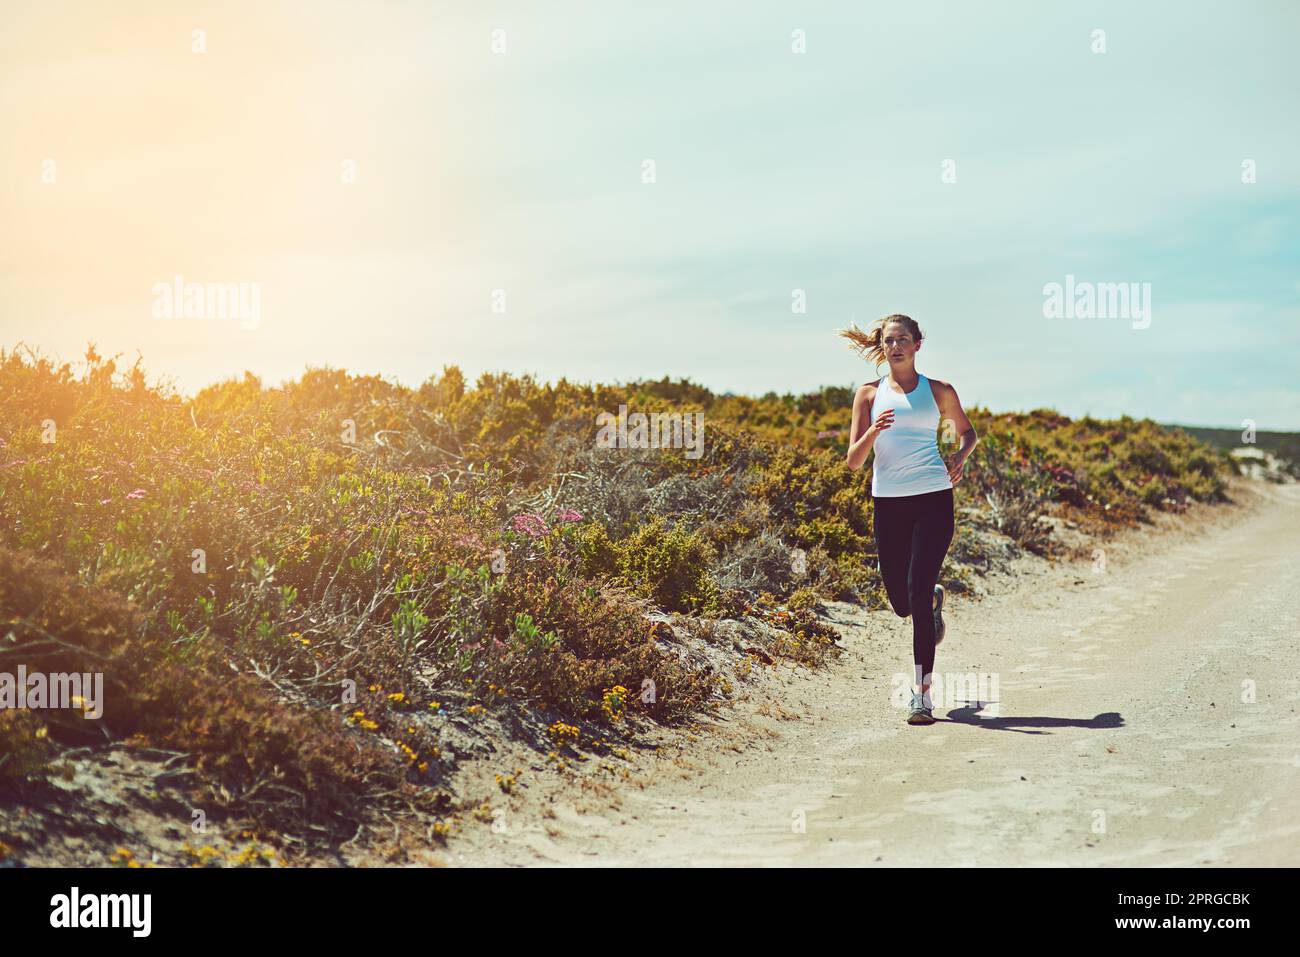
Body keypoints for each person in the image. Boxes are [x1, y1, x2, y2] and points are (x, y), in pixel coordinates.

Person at [841, 315, 978, 725]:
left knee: (915, 597)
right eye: (889, 340)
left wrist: (958, 458)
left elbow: (968, 433)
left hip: (934, 499)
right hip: (889, 505)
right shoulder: (868, 395)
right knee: (901, 603)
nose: (896, 346)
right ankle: (932, 601)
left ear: (918, 344)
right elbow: (853, 462)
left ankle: (921, 696)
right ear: (881, 347)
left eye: (903, 339)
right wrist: (873, 433)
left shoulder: (939, 391)